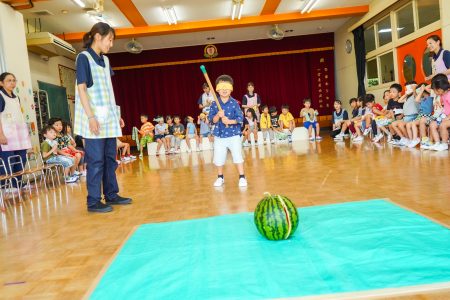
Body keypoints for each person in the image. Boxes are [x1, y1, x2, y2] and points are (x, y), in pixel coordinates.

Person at [75, 22, 132, 213]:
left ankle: (111, 194)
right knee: (96, 160)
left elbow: (109, 91)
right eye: (110, 39)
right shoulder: (83, 58)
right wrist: (90, 117)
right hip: (93, 119)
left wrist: (117, 115)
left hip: (108, 118)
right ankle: (93, 201)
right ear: (98, 37)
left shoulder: (105, 61)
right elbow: (81, 89)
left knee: (110, 158)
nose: (111, 44)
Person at [208, 74, 247, 187]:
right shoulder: (215, 103)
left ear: (231, 89)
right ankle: (220, 177)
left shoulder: (235, 103)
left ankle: (242, 177)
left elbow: (240, 119)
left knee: (237, 155)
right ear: (218, 89)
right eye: (222, 87)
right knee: (218, 157)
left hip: (233, 135)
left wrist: (229, 121)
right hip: (219, 136)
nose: (224, 90)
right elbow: (212, 120)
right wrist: (218, 115)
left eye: (227, 87)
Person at [0, 72, 32, 190]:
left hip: (19, 134)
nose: (12, 83)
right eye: (9, 80)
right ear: (1, 83)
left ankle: (17, 184)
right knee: (8, 161)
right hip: (6, 135)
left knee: (21, 159)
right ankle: (5, 186)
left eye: (14, 80)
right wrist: (1, 135)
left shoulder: (16, 97)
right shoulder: (0, 96)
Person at [407, 83, 433, 148]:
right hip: (420, 116)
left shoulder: (430, 97)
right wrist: (418, 91)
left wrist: (422, 90)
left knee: (415, 123)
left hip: (426, 116)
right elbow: (416, 99)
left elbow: (416, 99)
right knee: (409, 124)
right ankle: (412, 140)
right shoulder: (423, 99)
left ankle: (418, 139)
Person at [428, 74, 450, 151]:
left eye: (434, 90)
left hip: (448, 117)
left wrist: (447, 117)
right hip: (445, 116)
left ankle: (444, 144)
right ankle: (437, 143)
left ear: (440, 89)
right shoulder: (442, 95)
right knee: (432, 124)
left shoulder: (448, 95)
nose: (433, 91)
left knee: (443, 125)